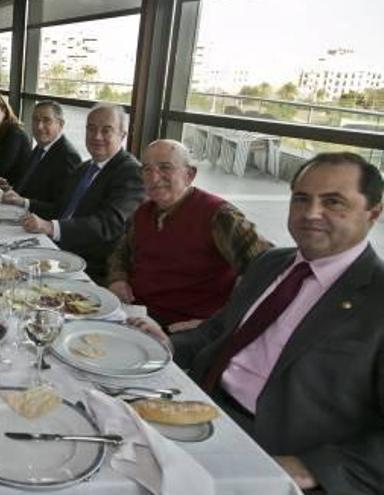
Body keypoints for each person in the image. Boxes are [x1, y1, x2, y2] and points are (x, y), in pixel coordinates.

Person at [129, 152, 384, 494]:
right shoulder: (271, 263)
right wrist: (169, 344)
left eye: (333, 202)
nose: (311, 214)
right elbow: (219, 332)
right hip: (199, 407)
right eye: (301, 199)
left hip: (276, 449)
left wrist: (313, 467)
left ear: (374, 213)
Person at [107, 139, 271, 332]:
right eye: (147, 169)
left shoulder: (219, 216)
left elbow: (269, 270)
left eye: (165, 168)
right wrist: (118, 279)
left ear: (189, 175)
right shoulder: (144, 211)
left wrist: (218, 323)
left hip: (182, 328)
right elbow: (121, 253)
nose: (154, 177)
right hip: (136, 313)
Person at [19, 103, 144, 283]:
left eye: (106, 130)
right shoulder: (84, 168)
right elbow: (60, 210)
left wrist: (51, 227)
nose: (97, 136)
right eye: (91, 129)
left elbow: (108, 225)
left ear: (122, 135)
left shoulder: (130, 172)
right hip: (54, 252)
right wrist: (24, 205)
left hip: (88, 268)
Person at [0, 100, 82, 206]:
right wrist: (9, 188)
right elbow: (30, 186)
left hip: (37, 219)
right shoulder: (40, 148)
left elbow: (61, 207)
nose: (39, 126)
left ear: (60, 125)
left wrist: (24, 202)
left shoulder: (68, 157)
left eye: (46, 120)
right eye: (35, 120)